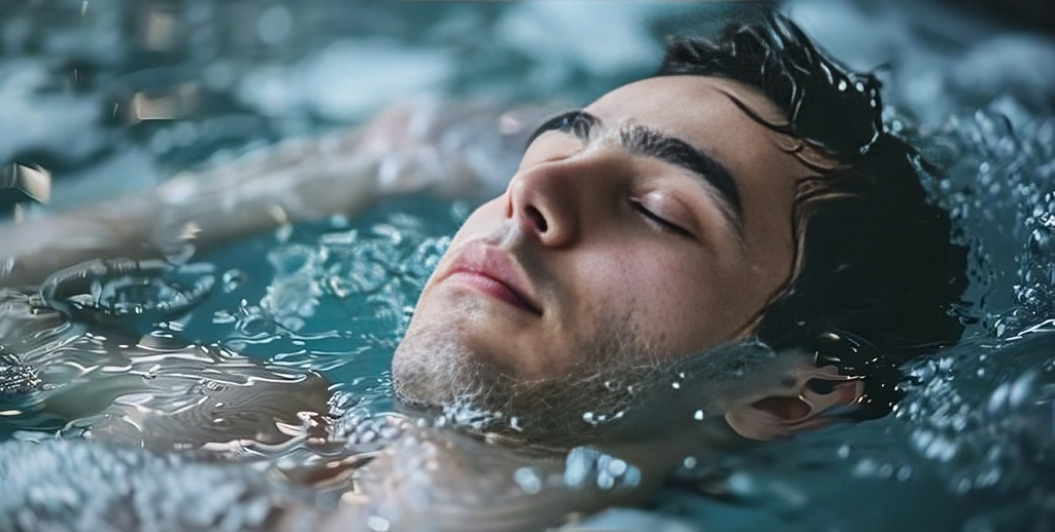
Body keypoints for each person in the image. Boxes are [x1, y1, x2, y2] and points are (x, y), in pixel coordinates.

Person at [0, 12, 966, 531]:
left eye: (657, 209)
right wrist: (356, 163)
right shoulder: (239, 425)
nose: (533, 190)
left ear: (796, 394)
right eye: (555, 145)